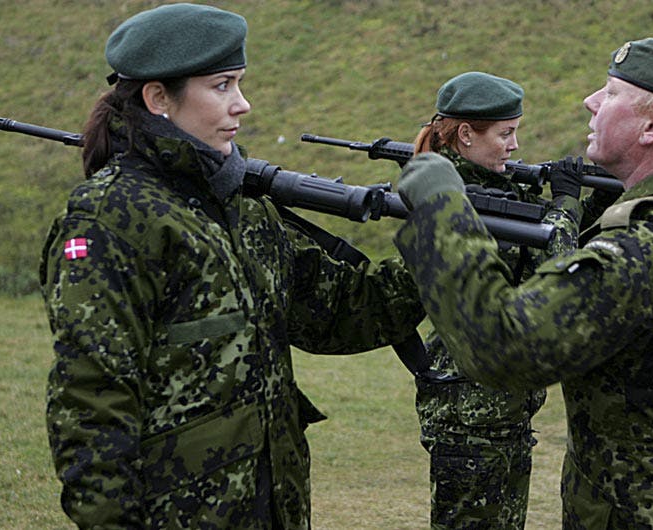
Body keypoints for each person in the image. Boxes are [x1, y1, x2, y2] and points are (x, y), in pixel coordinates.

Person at [39, 4, 425, 528]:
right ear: (158, 98)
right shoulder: (111, 220)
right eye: (222, 86)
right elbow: (92, 405)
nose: (243, 105)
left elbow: (346, 311)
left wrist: (443, 249)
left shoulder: (244, 210)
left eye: (239, 83)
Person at [393, 38, 653, 528]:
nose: (591, 102)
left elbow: (499, 347)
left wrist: (440, 207)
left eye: (610, 93)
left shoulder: (643, 248)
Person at [409, 71, 583, 529]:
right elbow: (558, 272)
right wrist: (567, 204)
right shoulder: (459, 200)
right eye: (505, 134)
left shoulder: (495, 190)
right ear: (466, 135)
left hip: (501, 410)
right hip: (470, 415)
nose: (515, 146)